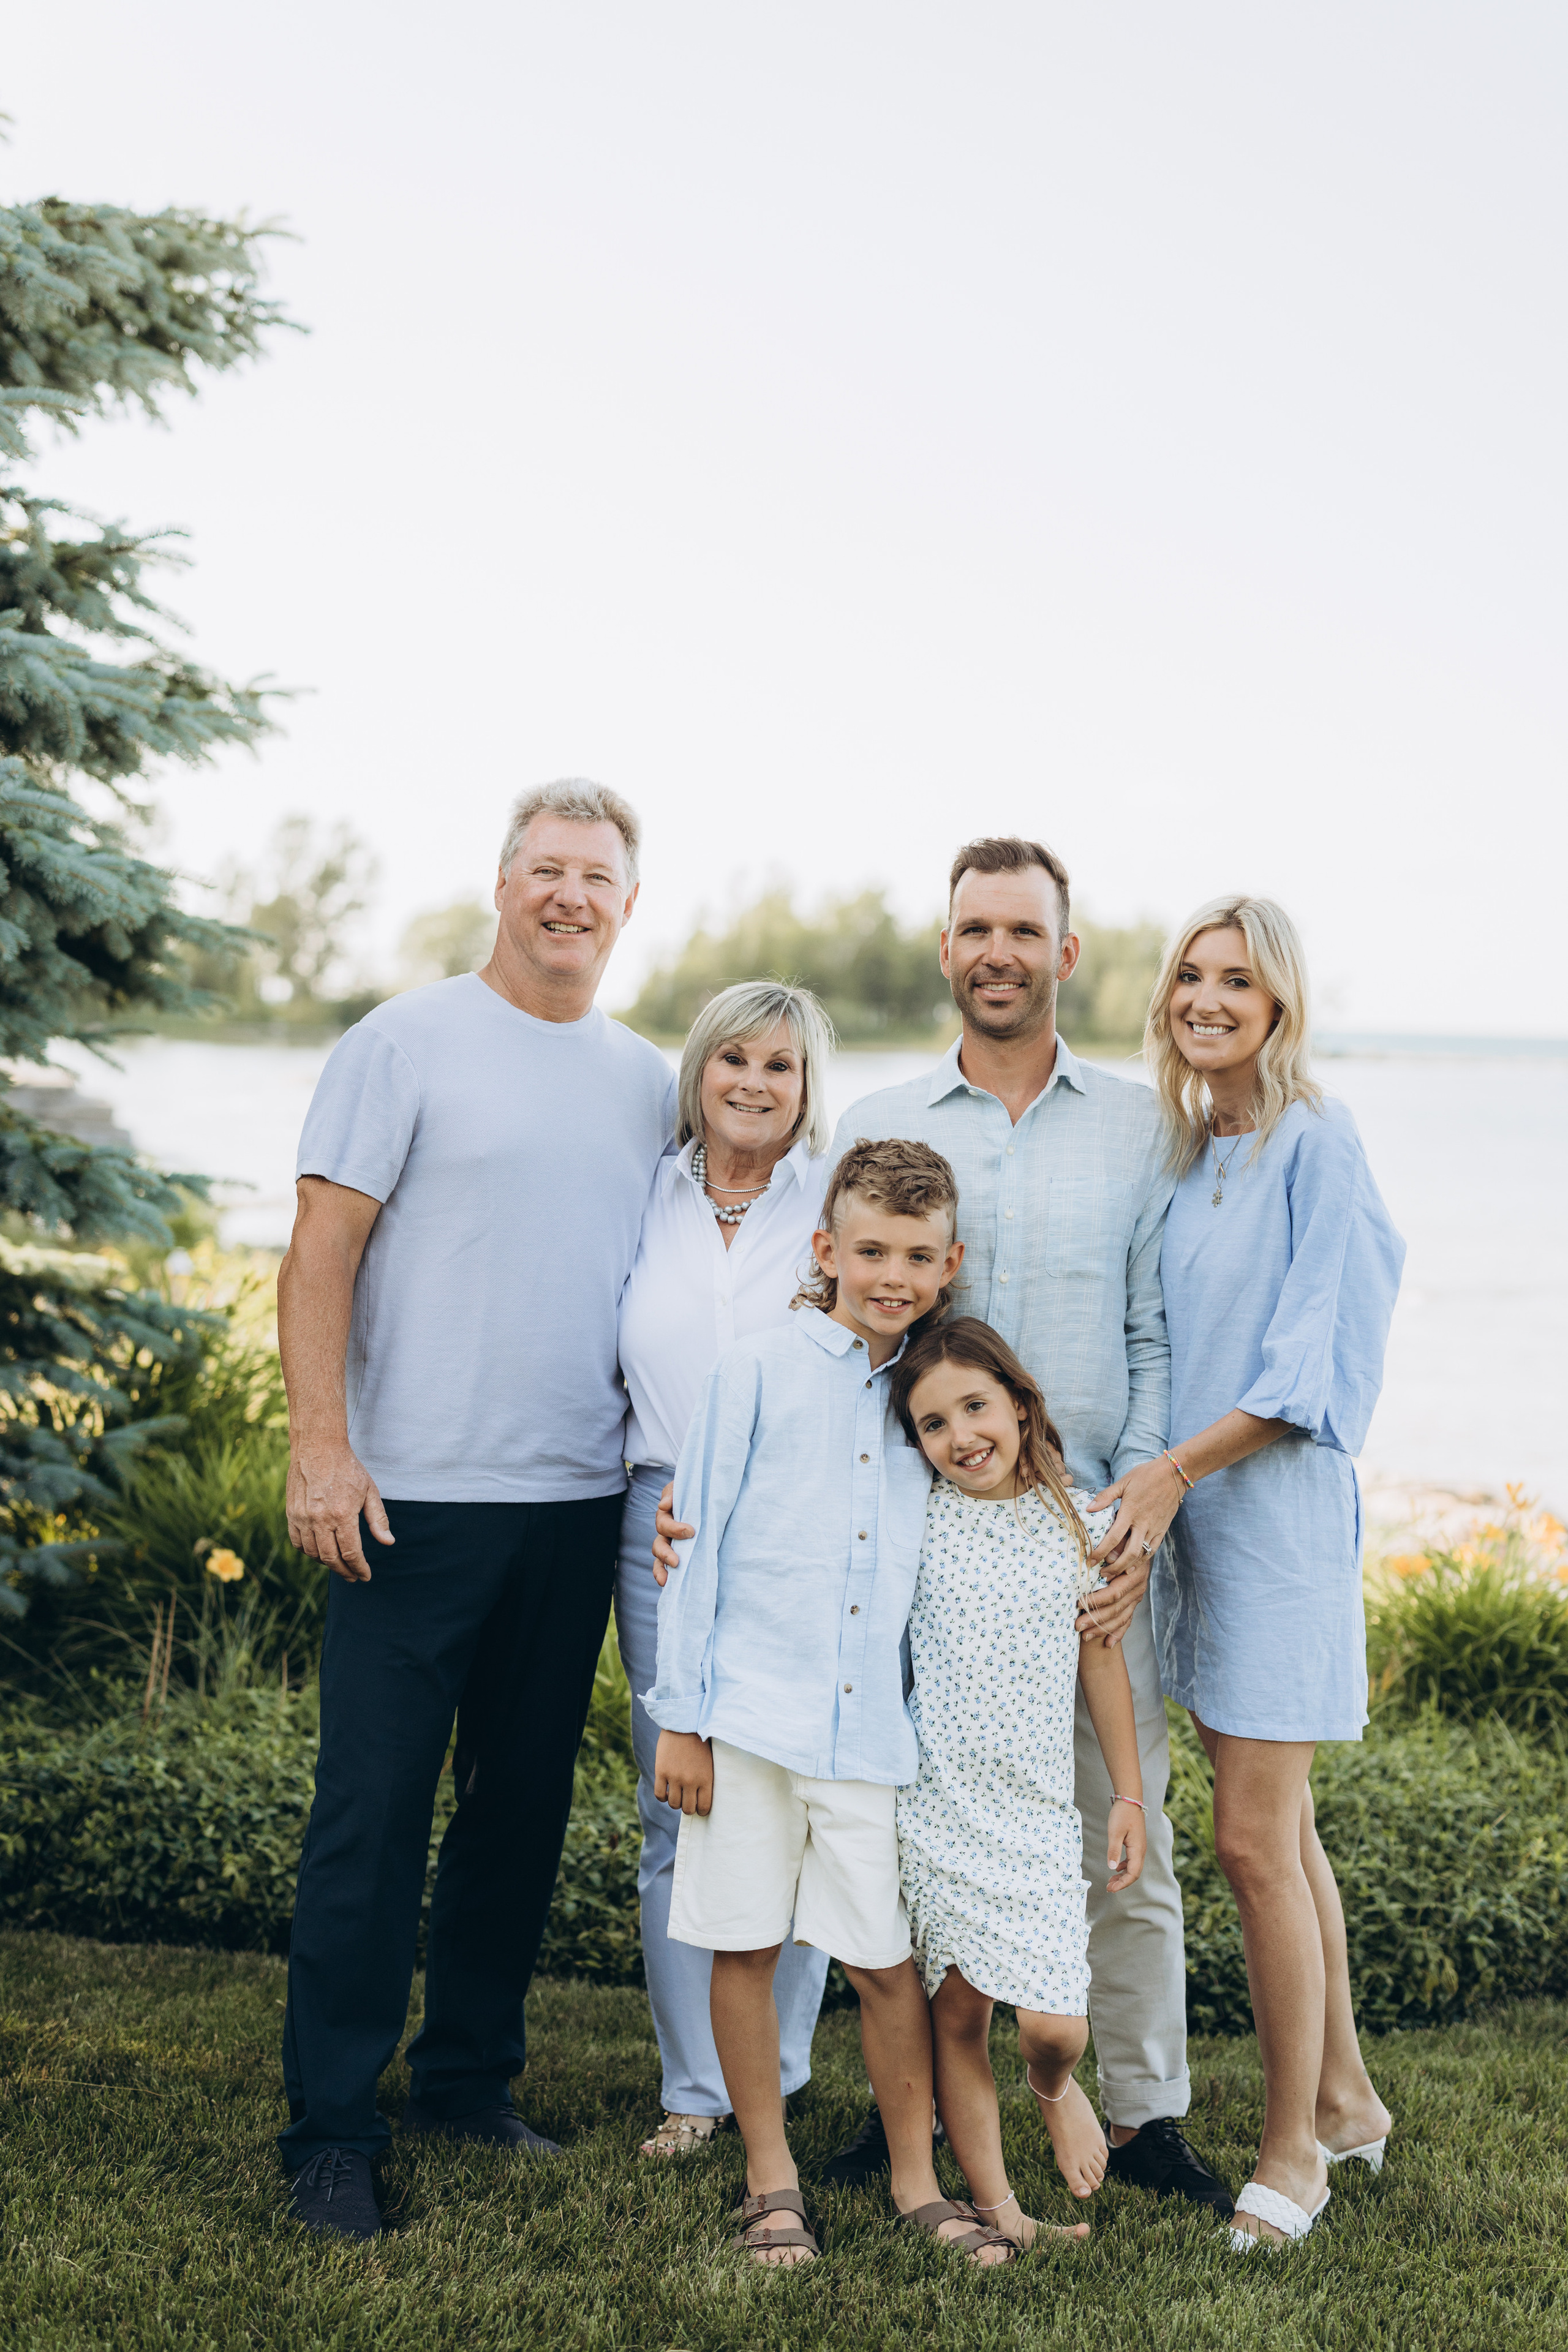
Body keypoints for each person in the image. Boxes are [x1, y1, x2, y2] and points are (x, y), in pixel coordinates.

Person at [795, 834, 1232, 2211]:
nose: (996, 951)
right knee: (920, 1828)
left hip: (1096, 1535)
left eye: (1021, 930)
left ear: (1065, 950)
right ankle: (907, 2113)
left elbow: (1153, 1334)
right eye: (972, 928)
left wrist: (1143, 1500)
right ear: (945, 950)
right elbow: (841, 1327)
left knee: (1125, 1821)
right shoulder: (881, 1117)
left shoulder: (1141, 1127)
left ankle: (1147, 2111)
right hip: (922, 1549)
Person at [274, 778, 676, 2242]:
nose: (570, 896)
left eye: (597, 877)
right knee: (369, 1819)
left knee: (517, 1811)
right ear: (502, 887)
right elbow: (319, 1250)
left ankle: (465, 2080)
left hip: (574, 1501)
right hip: (406, 1500)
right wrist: (325, 1448)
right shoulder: (404, 1042)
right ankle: (329, 2127)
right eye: (546, 870)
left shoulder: (647, 1077)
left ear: (629, 908)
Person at [647, 1140, 1022, 2270]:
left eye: (915, 1254)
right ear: (826, 1251)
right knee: (746, 1943)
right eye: (869, 1250)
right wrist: (683, 1716)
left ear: (948, 1264)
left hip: (870, 1737)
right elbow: (695, 1547)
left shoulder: (937, 1398)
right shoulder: (754, 1370)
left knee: (883, 1963)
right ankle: (772, 2181)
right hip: (751, 1719)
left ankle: (917, 2182)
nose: (891, 1273)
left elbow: (1007, 1498)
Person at [1137, 896, 1403, 2249]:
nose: (1206, 997)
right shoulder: (1192, 1151)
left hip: (1276, 1526)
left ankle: (1288, 2148)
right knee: (1282, 1832)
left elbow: (1306, 1376)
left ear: (1278, 1002)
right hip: (1197, 1534)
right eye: (1189, 974)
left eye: (1235, 979)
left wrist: (1170, 1471)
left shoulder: (1315, 1140)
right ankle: (1347, 2099)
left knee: (1249, 1842)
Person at [616, 979, 835, 2157]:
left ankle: (779, 2074)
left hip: (792, 1522)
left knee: (785, 1796)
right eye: (734, 1060)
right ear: (698, 1073)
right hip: (657, 1515)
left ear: (807, 1093)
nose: (755, 1083)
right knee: (679, 1798)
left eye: (782, 1066)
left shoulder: (826, 1202)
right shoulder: (642, 1194)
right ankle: (695, 2091)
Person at [892, 1316, 1149, 2251]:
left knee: (1053, 2026)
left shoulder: (1075, 1524)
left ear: (1018, 1402)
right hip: (938, 1808)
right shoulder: (916, 1520)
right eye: (931, 1424)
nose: (960, 1436)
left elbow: (1103, 1667)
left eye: (974, 1406)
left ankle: (1051, 2089)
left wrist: (1128, 1794)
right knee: (957, 2015)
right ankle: (1004, 2214)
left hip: (1036, 1816)